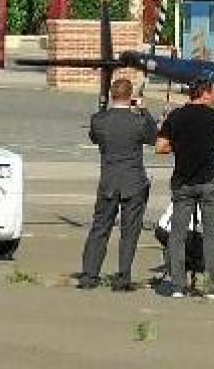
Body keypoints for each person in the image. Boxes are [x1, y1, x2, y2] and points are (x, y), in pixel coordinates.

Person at [155, 79, 214, 299]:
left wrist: (181, 146)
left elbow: (160, 147)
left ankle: (177, 284)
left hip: (182, 181)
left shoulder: (175, 116)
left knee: (178, 234)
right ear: (206, 94)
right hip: (209, 180)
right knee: (210, 234)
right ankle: (211, 284)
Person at [78, 79, 158, 292]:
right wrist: (144, 111)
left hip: (109, 180)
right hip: (133, 180)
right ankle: (123, 276)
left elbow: (94, 138)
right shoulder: (138, 122)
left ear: (112, 95)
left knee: (99, 229)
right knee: (129, 231)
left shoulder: (99, 120)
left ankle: (89, 274)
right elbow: (153, 137)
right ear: (130, 96)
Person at [153, 195, 214, 292]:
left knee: (182, 248)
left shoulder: (186, 186)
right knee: (206, 254)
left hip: (162, 229)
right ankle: (211, 286)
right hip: (185, 233)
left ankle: (174, 271)